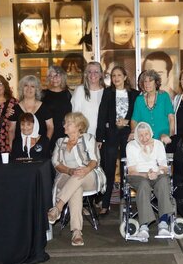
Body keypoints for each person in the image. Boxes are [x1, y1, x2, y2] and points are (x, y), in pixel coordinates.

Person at [48, 112, 106, 247]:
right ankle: (77, 232)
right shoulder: (60, 141)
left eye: (69, 123)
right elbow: (56, 163)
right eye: (65, 123)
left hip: (89, 174)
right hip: (66, 176)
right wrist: (69, 170)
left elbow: (94, 160)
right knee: (76, 188)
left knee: (78, 175)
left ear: (79, 126)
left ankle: (58, 207)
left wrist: (85, 169)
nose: (65, 125)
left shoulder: (89, 138)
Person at [96, 66, 139, 215]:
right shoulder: (107, 93)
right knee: (109, 168)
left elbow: (138, 115)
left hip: (128, 134)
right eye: (113, 75)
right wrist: (99, 137)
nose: (116, 78)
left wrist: (127, 122)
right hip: (110, 134)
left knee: (125, 168)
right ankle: (105, 204)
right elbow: (101, 115)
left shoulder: (135, 94)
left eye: (119, 75)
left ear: (125, 77)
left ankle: (124, 201)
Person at [125, 122, 175, 241]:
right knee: (143, 184)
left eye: (146, 134)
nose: (144, 138)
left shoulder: (158, 144)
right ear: (136, 135)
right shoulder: (131, 146)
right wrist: (146, 175)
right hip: (138, 175)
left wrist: (156, 173)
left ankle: (163, 223)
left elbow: (164, 167)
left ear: (151, 133)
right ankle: (144, 226)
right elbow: (131, 170)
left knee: (163, 181)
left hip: (156, 174)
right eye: (140, 135)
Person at [8, 75, 54, 149]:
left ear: (37, 89)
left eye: (32, 86)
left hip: (40, 148)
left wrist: (45, 143)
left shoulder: (44, 107)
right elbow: (11, 130)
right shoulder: (15, 109)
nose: (29, 89)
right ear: (21, 88)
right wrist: (11, 146)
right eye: (26, 85)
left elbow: (50, 127)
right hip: (20, 147)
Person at [130, 69, 175, 145]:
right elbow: (134, 121)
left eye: (150, 81)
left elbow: (171, 118)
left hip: (163, 138)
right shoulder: (139, 100)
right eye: (145, 81)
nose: (147, 84)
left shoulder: (164, 96)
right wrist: (134, 132)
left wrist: (171, 136)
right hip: (145, 140)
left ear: (156, 82)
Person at [42, 66, 72, 153]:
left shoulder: (68, 94)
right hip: (48, 132)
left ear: (62, 77)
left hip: (65, 132)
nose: (54, 79)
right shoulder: (43, 94)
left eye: (57, 75)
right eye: (51, 76)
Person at [71, 61, 105, 136]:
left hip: (102, 136)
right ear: (86, 75)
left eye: (96, 71)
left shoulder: (106, 92)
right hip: (83, 135)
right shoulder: (80, 90)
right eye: (89, 71)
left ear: (101, 75)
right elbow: (75, 114)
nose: (93, 74)